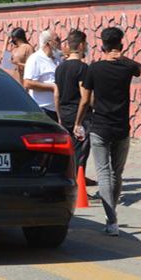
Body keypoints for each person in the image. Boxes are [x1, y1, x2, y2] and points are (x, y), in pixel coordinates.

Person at [75, 26, 141, 236]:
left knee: (103, 173)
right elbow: (140, 68)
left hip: (100, 127)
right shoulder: (127, 67)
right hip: (122, 127)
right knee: (117, 173)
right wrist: (122, 57)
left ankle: (111, 220)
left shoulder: (94, 69)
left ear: (102, 46)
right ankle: (112, 214)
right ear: (121, 45)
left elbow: (85, 100)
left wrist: (78, 122)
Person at [55, 30, 90, 175]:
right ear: (81, 45)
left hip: (64, 113)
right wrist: (78, 122)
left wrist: (59, 117)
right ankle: (78, 181)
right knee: (81, 151)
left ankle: (70, 177)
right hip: (79, 115)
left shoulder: (60, 67)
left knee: (68, 149)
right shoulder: (82, 68)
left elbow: (56, 94)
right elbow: (85, 98)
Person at [23, 29, 61, 120]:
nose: (60, 42)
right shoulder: (35, 59)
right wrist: (52, 87)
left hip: (57, 109)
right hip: (43, 110)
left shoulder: (57, 59)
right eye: (57, 40)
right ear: (48, 43)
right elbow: (27, 83)